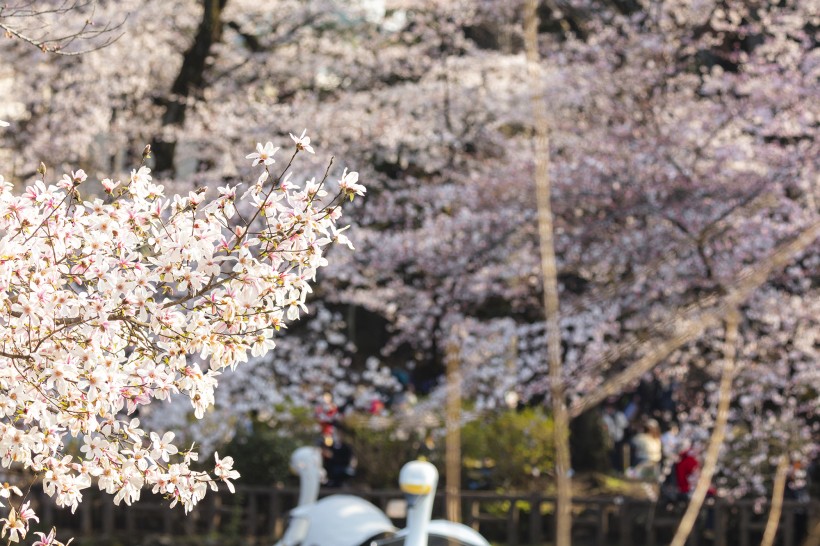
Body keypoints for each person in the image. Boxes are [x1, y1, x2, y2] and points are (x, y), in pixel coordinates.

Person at [602, 402, 629, 472]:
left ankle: (620, 469)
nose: (609, 410)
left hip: (620, 439)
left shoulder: (619, 415)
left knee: (620, 455)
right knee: (611, 455)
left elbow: (625, 425)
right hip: (610, 439)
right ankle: (612, 469)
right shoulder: (605, 417)